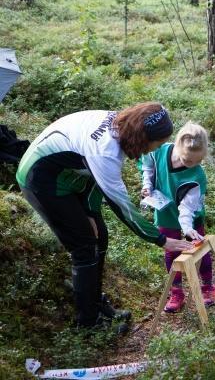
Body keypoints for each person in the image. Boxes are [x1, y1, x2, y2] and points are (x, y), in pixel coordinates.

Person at [16, 102, 193, 331]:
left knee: (101, 237)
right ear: (141, 138)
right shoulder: (105, 151)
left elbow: (96, 180)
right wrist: (160, 239)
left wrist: (90, 212)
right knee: (85, 247)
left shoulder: (119, 126)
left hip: (70, 175)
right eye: (154, 145)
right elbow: (123, 207)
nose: (153, 151)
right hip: (41, 180)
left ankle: (96, 304)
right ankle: (88, 324)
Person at [140, 122, 215, 313]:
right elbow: (148, 167)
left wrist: (187, 228)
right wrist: (147, 185)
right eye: (186, 160)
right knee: (171, 252)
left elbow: (187, 207)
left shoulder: (197, 175)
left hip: (189, 217)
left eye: (196, 161)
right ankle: (177, 293)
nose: (190, 164)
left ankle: (207, 287)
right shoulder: (159, 151)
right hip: (165, 212)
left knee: (199, 249)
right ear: (177, 146)